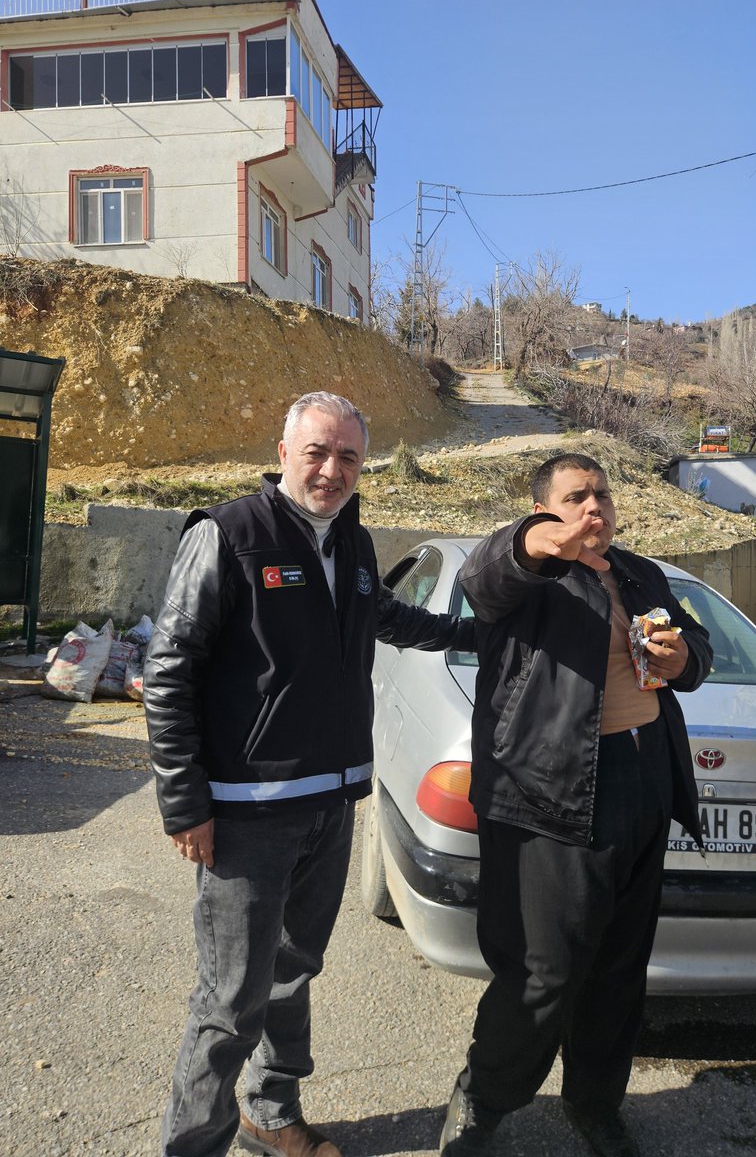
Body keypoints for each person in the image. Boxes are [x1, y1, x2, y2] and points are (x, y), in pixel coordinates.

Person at [144, 391, 474, 1157]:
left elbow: (387, 618)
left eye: (349, 456)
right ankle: (190, 1147)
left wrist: (476, 629)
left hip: (330, 802)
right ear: (285, 450)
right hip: (246, 812)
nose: (332, 470)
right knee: (230, 1000)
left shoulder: (352, 544)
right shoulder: (229, 534)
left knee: (293, 969)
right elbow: (168, 670)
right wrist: (183, 799)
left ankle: (270, 1110)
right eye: (318, 452)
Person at [438, 453, 712, 1157]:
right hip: (549, 795)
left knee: (620, 966)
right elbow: (483, 577)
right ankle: (484, 1102)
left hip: (644, 781)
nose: (595, 507)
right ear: (544, 510)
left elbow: (696, 648)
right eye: (575, 498)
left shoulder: (639, 574)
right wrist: (534, 541)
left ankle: (595, 1105)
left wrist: (685, 660)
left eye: (602, 495)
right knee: (543, 972)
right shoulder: (532, 577)